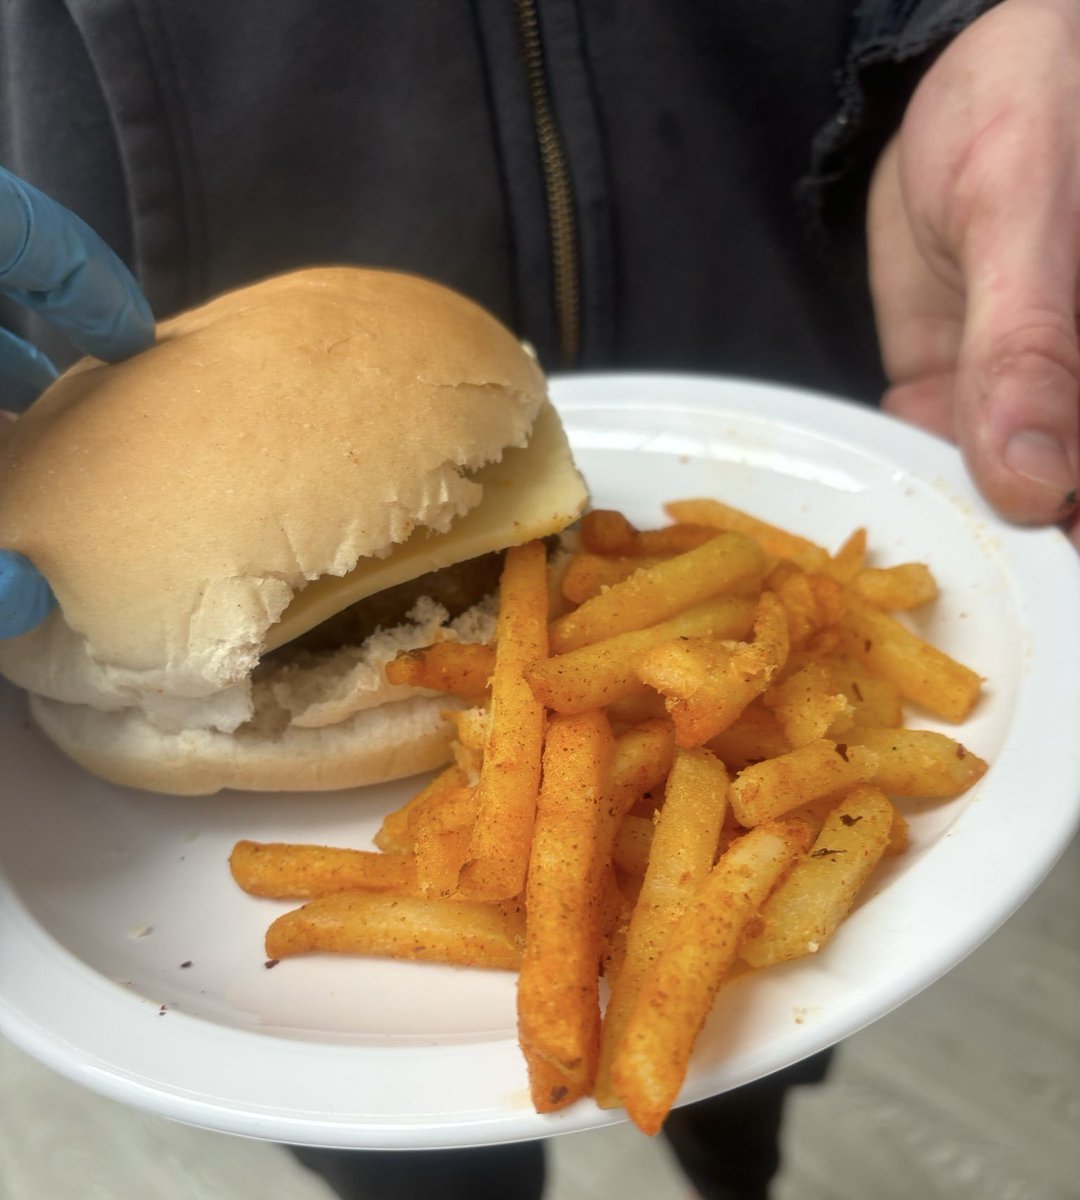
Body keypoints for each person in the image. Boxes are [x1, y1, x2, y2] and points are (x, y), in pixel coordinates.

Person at [0, 1, 1076, 1197]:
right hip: (119, 276)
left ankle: (737, 1154)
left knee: (766, 1056)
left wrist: (967, 25)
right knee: (414, 1166)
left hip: (783, 258)